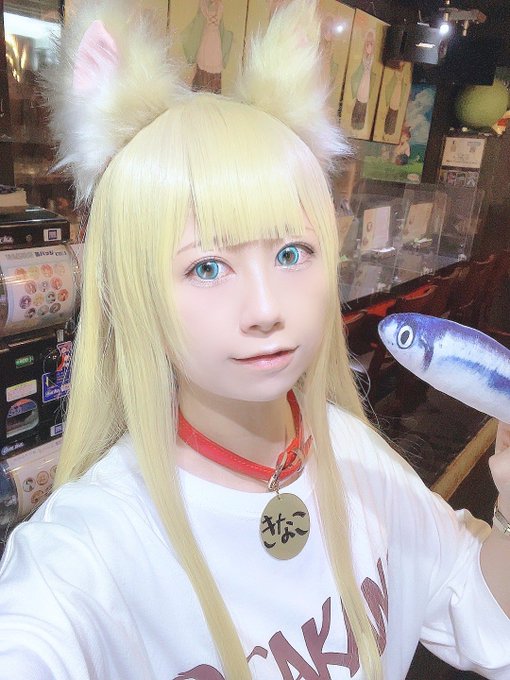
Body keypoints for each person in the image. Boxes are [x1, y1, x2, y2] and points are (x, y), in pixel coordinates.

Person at [0, 1, 509, 679]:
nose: (267, 309)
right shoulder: (83, 555)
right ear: (133, 289)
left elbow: (472, 604)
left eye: (292, 253)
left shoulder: (353, 453)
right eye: (208, 267)